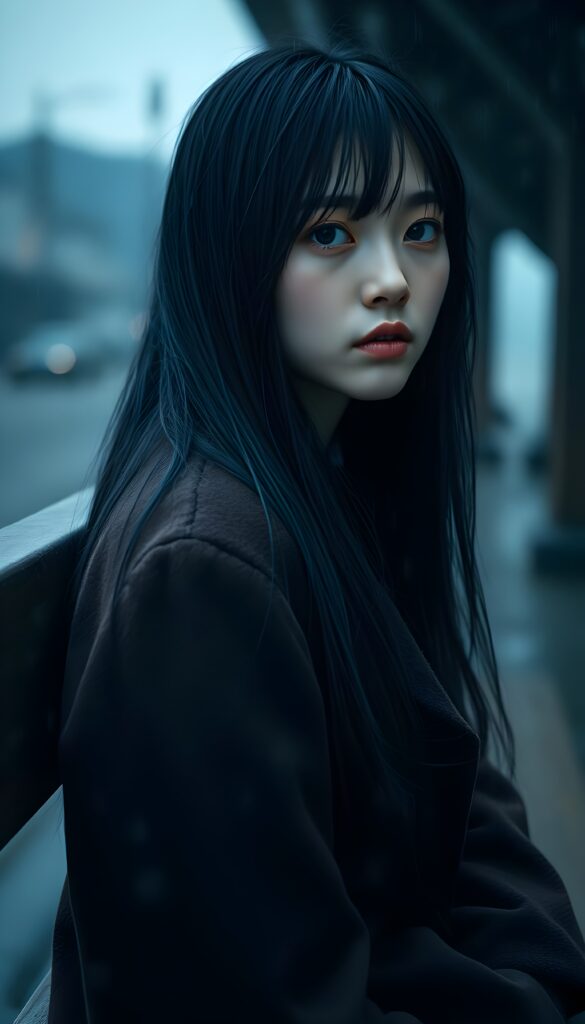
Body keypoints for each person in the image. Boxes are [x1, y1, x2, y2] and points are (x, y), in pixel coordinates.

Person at [46, 40, 585, 1022]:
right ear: (233, 254)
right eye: (332, 234)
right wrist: (530, 992)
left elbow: (461, 810)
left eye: (422, 229)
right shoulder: (204, 574)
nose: (392, 281)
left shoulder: (318, 490)